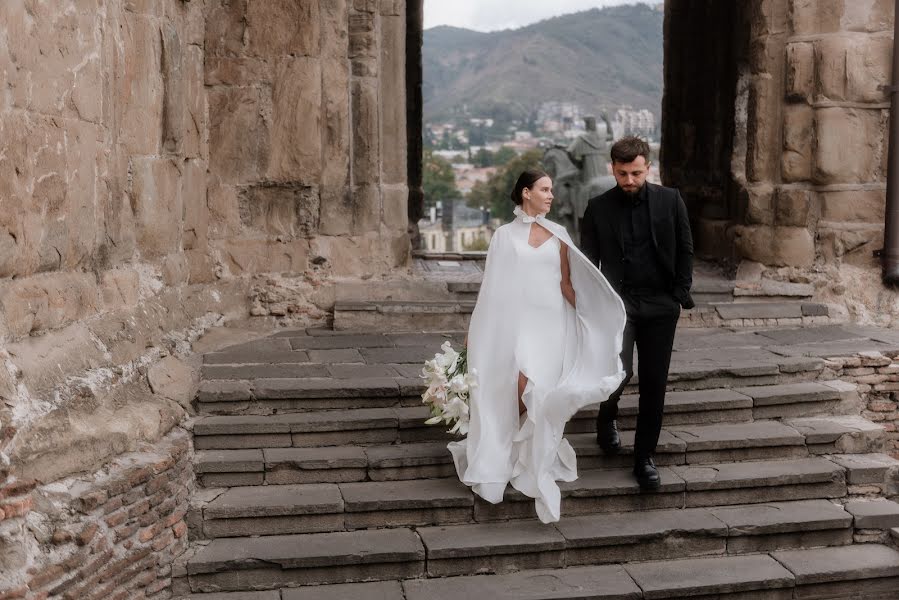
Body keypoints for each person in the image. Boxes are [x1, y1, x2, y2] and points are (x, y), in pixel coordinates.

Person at [449, 169, 627, 524]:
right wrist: (475, 329)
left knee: (539, 389)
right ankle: (505, 450)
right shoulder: (502, 236)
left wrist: (592, 317)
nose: (551, 196)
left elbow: (566, 282)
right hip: (515, 324)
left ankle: (533, 456)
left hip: (550, 326)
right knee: (515, 387)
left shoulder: (558, 234)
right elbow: (492, 287)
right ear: (526, 192)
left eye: (551, 190)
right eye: (545, 190)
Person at [580, 136, 695, 491]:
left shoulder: (670, 200)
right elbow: (588, 264)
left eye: (636, 173)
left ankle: (644, 457)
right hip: (618, 304)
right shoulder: (598, 207)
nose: (629, 180)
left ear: (649, 168)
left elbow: (686, 248)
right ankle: (606, 417)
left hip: (661, 304)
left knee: (655, 383)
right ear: (612, 169)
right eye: (622, 173)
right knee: (619, 373)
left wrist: (678, 295)